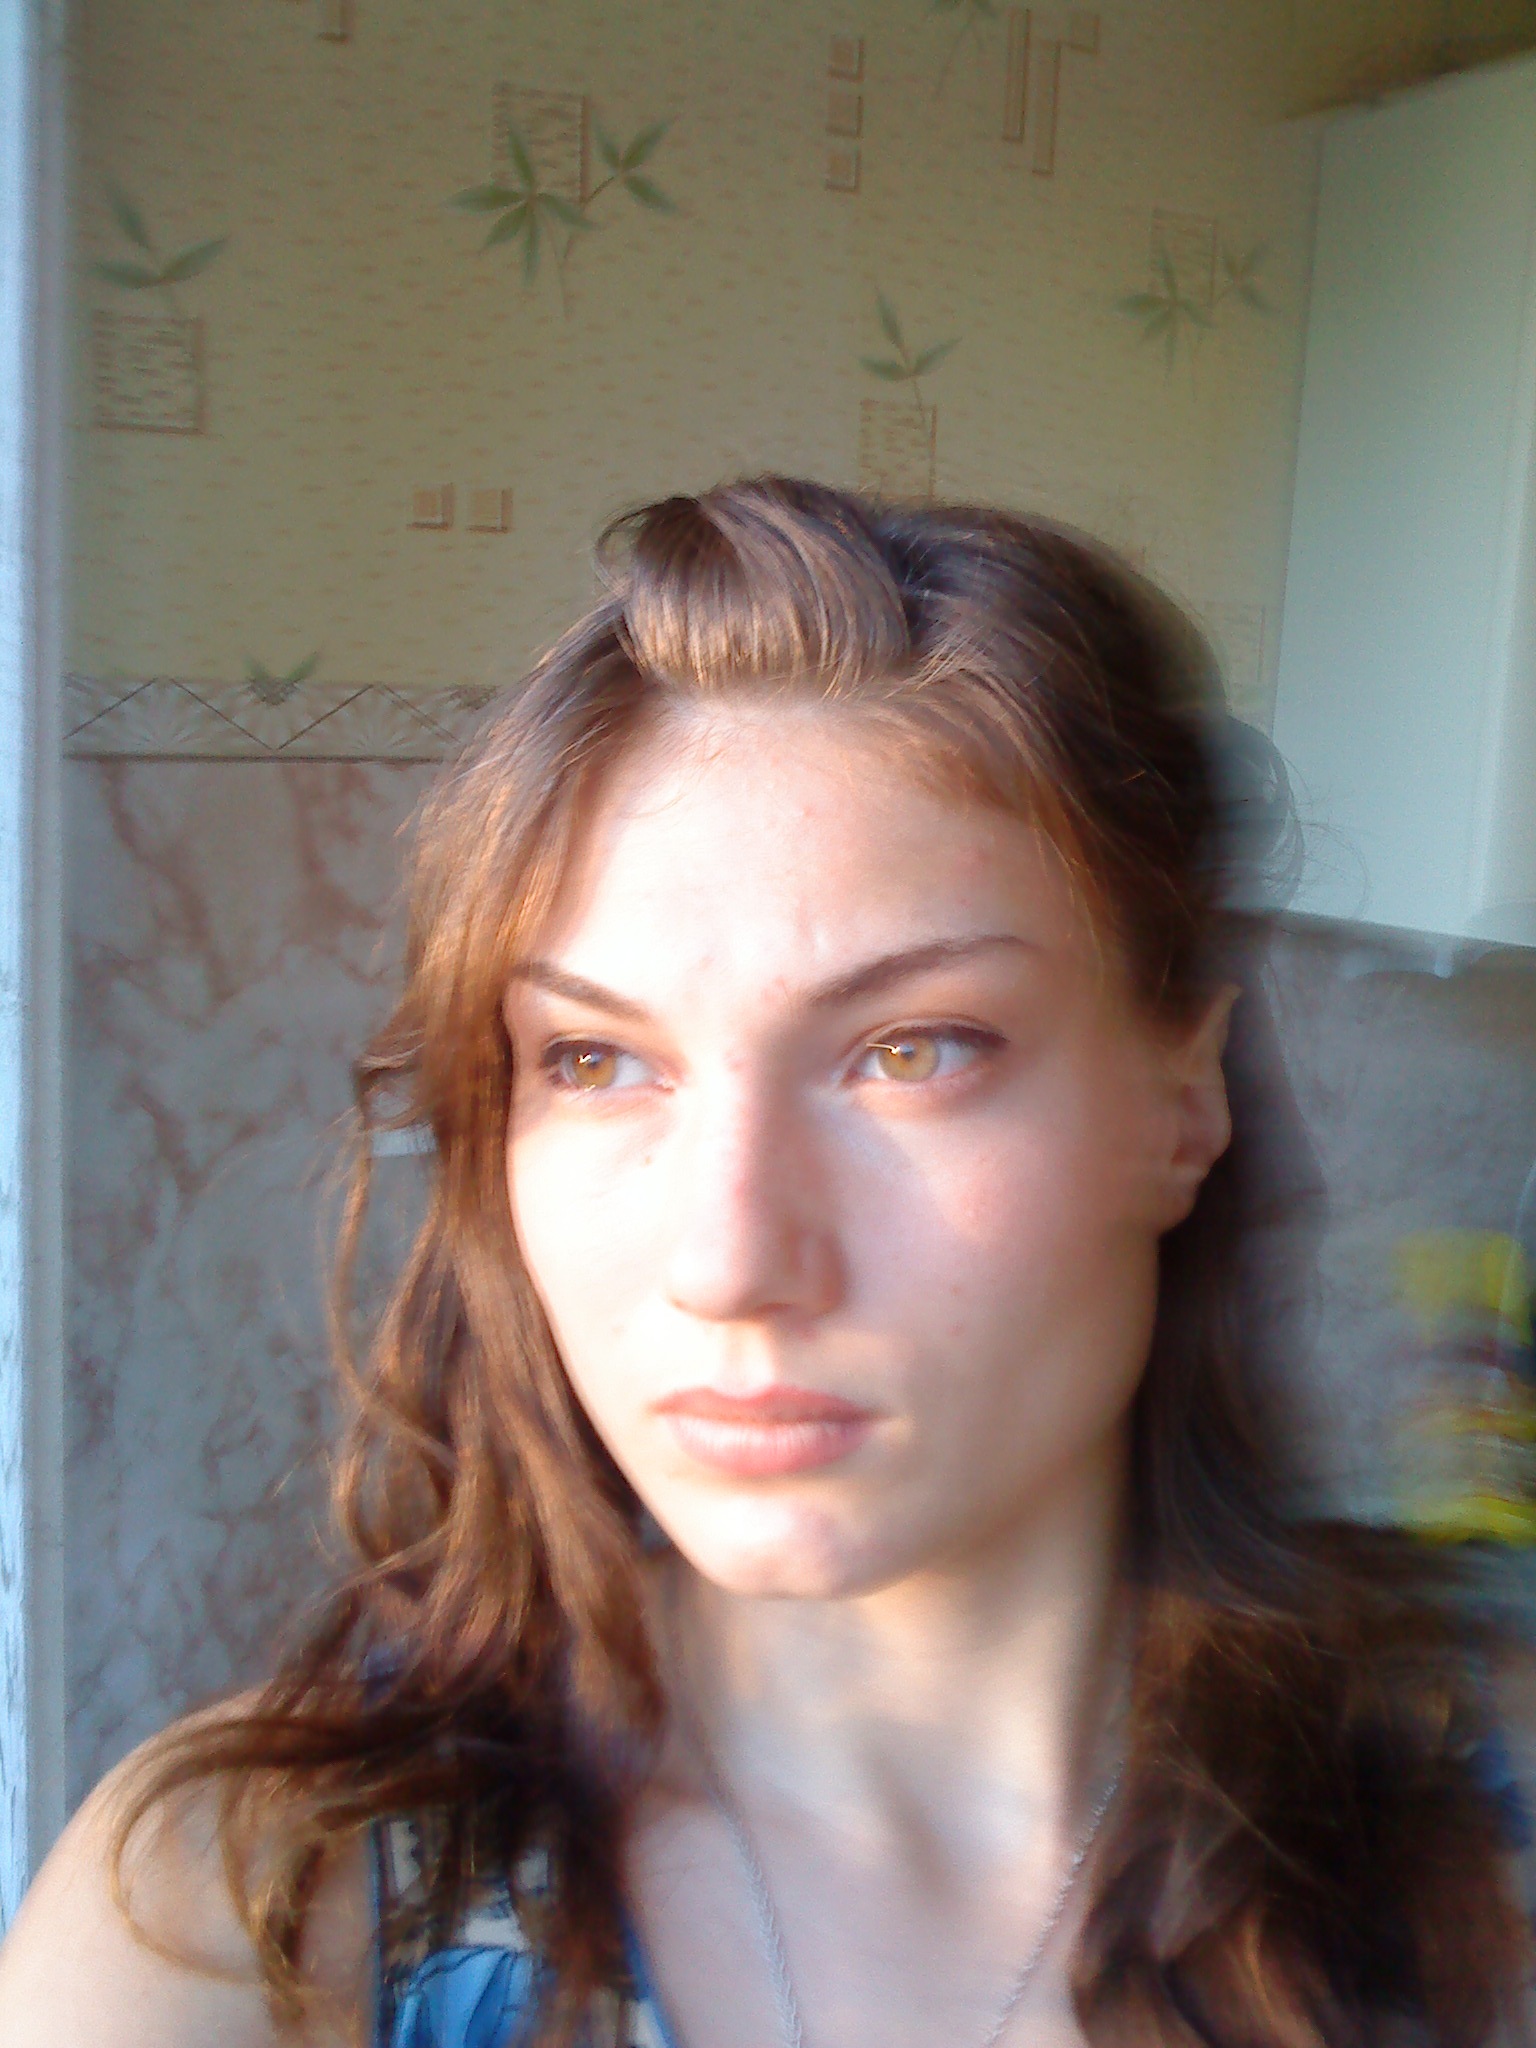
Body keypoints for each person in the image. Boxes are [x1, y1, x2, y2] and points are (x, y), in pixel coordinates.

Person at [1, 477, 1530, 2048]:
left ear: (1181, 1096)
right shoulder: (236, 1915)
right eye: (595, 1061)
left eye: (912, 1050)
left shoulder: (1485, 1838)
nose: (729, 1262)